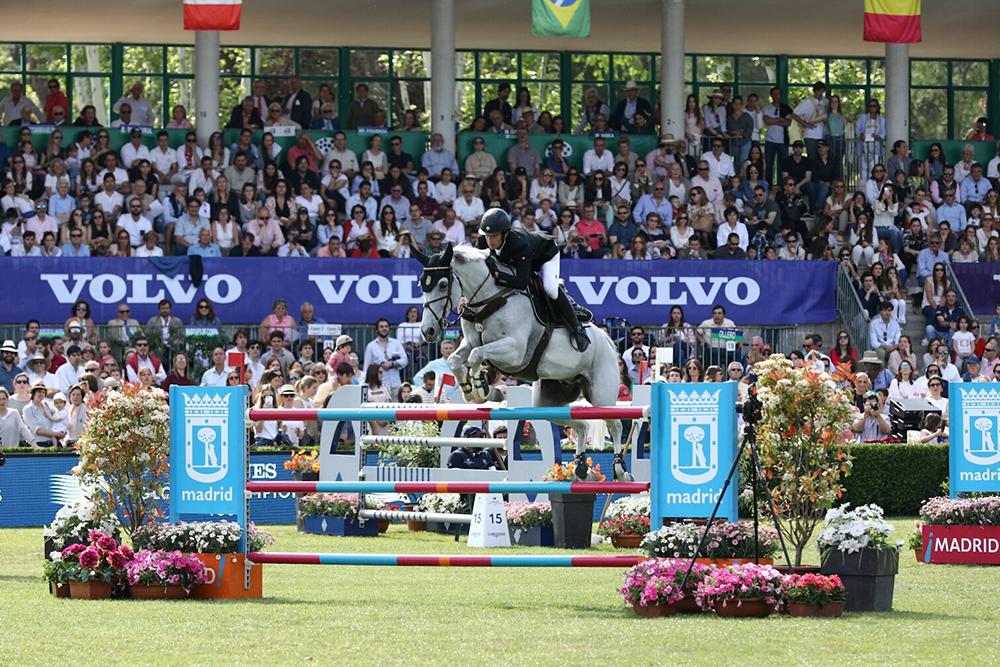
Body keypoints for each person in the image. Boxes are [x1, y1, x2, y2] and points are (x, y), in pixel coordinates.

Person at [477, 208, 589, 351]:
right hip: (520, 260)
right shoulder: (483, 240)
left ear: (505, 234)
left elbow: (522, 282)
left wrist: (499, 276)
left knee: (550, 288)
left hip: (545, 255)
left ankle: (577, 327)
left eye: (494, 236)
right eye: (487, 236)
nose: (490, 241)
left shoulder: (519, 244)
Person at [363, 318, 408, 397]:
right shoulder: (371, 346)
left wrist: (392, 363)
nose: (384, 328)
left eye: (386, 326)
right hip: (379, 387)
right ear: (377, 329)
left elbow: (405, 360)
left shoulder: (396, 343)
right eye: (381, 327)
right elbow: (366, 367)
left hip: (396, 385)